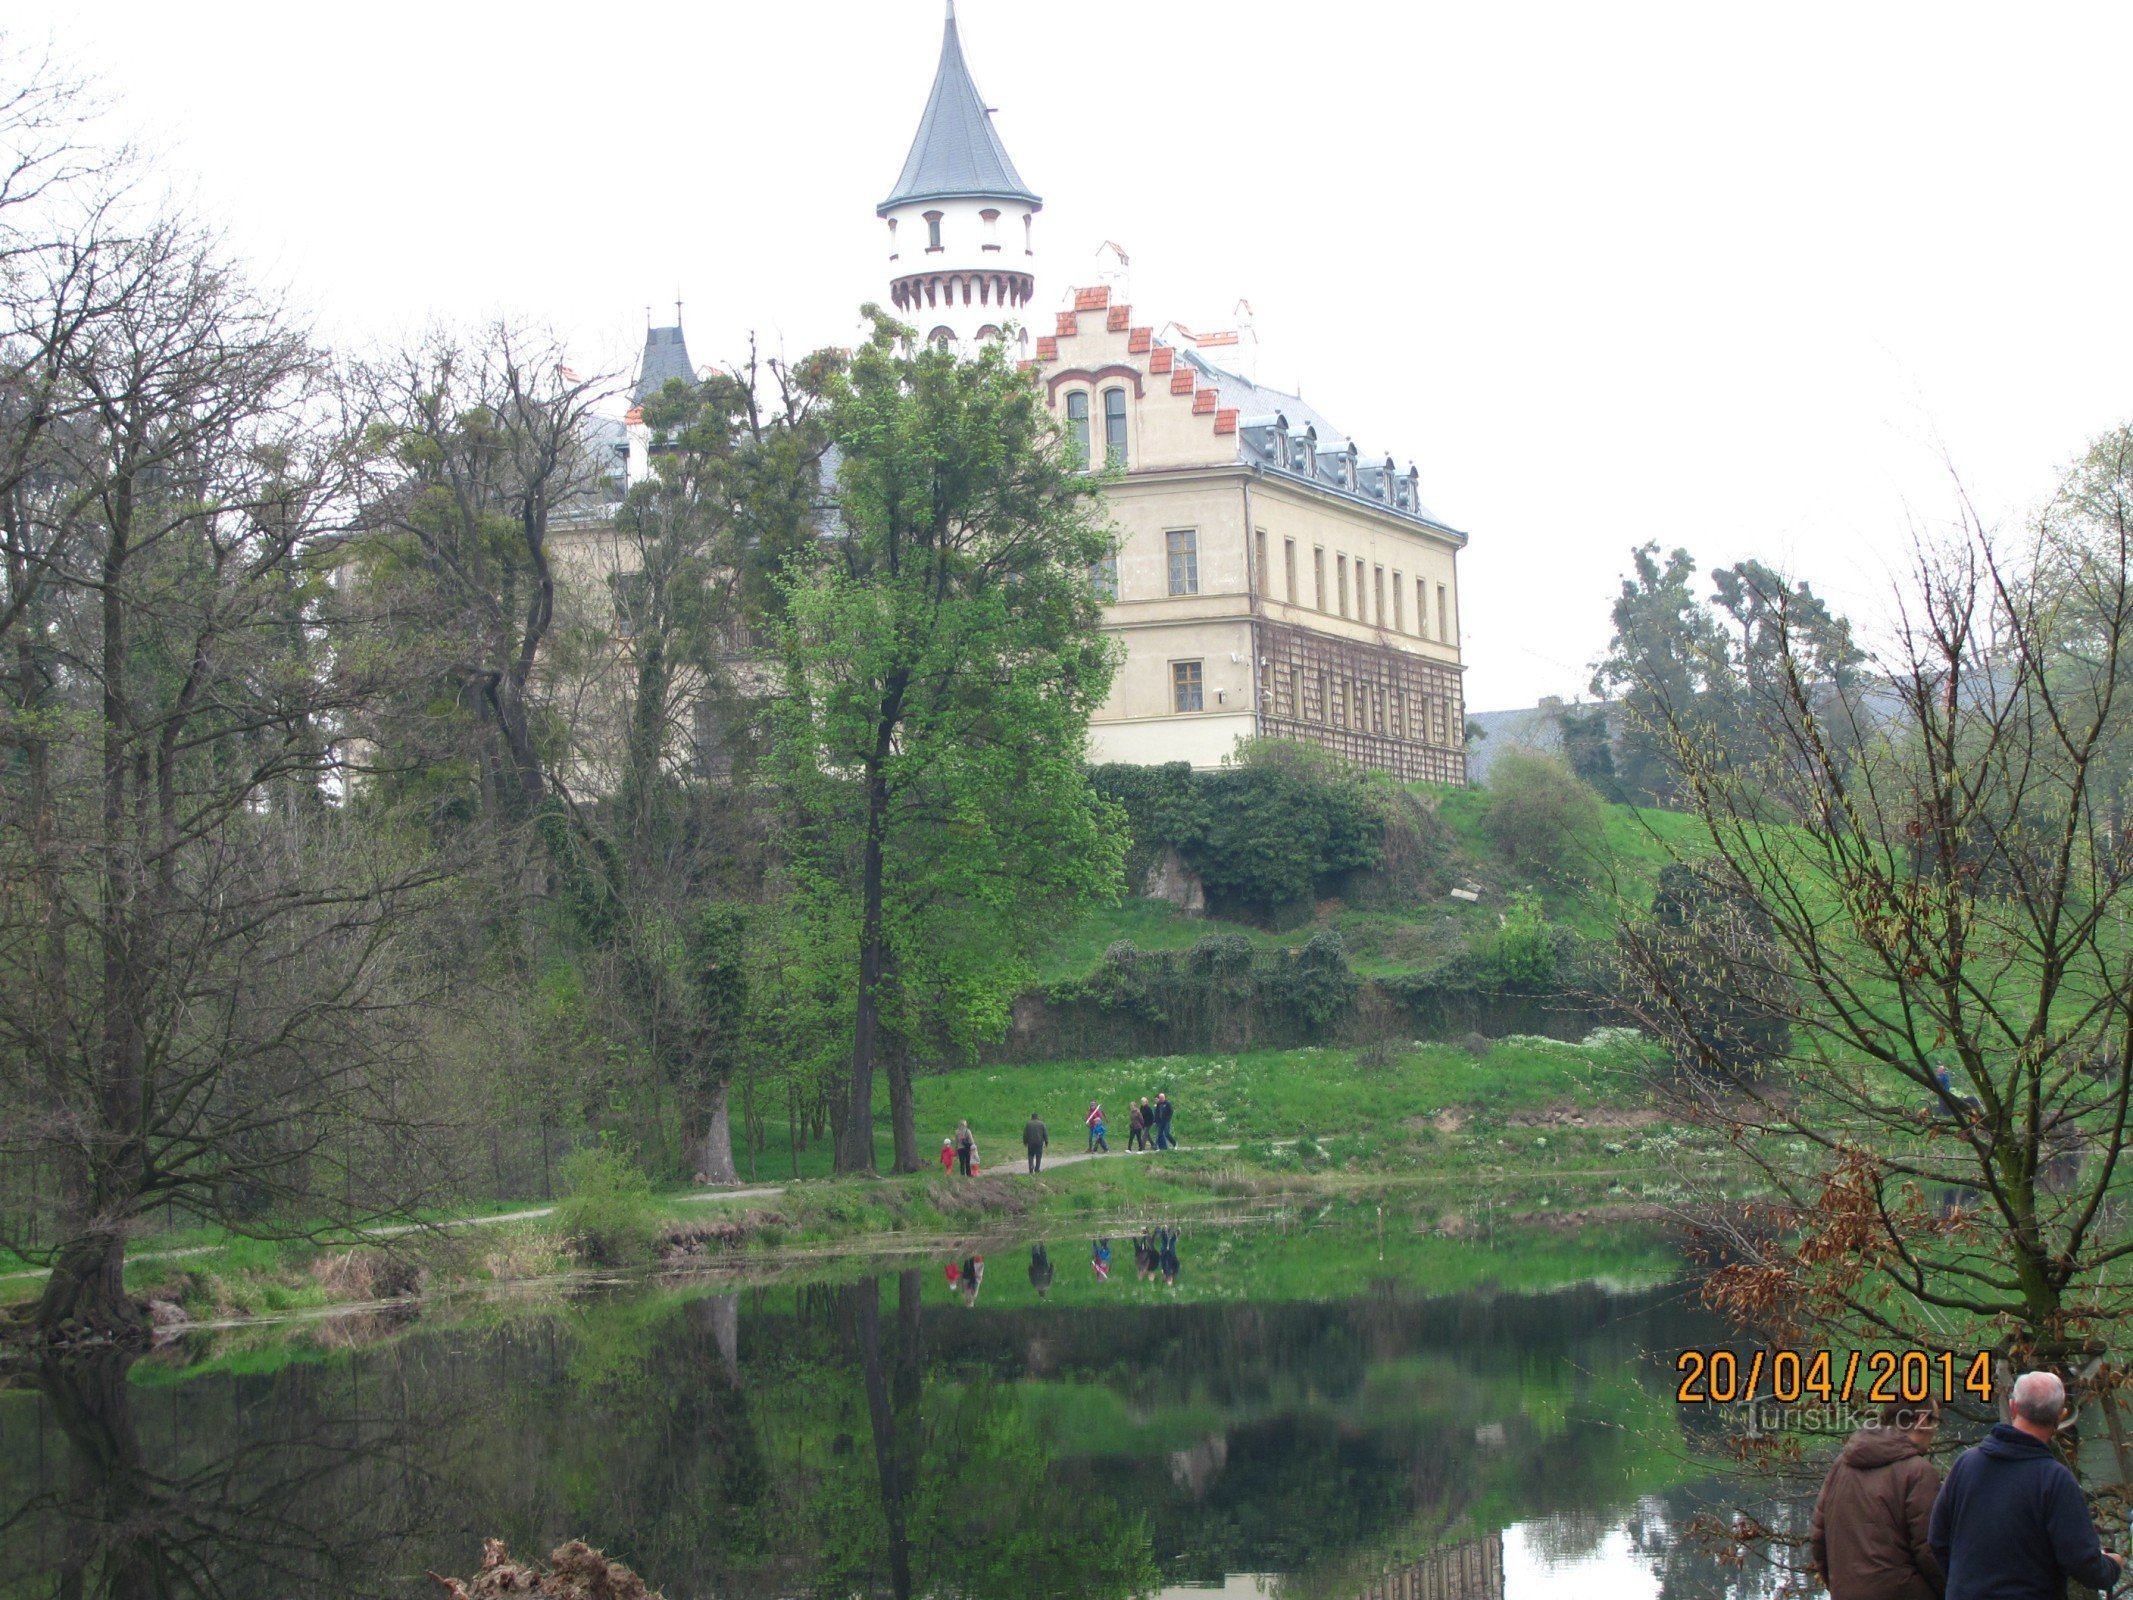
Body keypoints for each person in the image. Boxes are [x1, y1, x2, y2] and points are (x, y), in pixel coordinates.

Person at [1929, 1370, 2123, 1600]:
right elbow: (2082, 1563)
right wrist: (2112, 1566)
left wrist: (1964, 1585)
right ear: (2061, 1416)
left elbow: (1937, 1540)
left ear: (2013, 1407)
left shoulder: (1966, 1465)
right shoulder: (2055, 1480)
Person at [1809, 1398, 1944, 1600]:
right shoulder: (1919, 1472)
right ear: (1923, 1420)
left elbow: (1819, 1538)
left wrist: (1839, 1586)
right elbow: (1930, 1551)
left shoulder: (1841, 1464)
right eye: (1936, 1421)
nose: (1935, 1431)